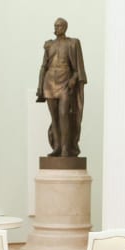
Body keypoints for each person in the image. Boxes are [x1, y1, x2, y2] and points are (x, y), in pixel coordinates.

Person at [36, 17, 87, 158]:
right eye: (55, 25)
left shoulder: (73, 43)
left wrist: (73, 79)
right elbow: (43, 66)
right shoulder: (49, 45)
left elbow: (78, 69)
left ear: (64, 27)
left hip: (65, 82)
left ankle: (66, 148)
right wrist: (39, 86)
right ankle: (57, 147)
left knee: (64, 114)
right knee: (55, 117)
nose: (56, 28)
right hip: (49, 82)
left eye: (59, 26)